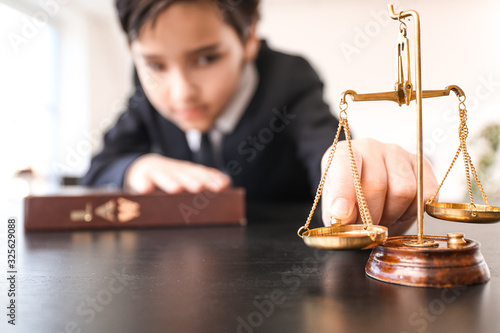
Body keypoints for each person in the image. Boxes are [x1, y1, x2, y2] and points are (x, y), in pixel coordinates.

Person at [81, 0, 437, 235]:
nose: (180, 92)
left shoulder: (290, 81)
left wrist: (352, 170)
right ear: (133, 53)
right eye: (155, 65)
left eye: (206, 59)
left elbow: (328, 155)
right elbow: (98, 169)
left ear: (249, 36)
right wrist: (135, 168)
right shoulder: (146, 94)